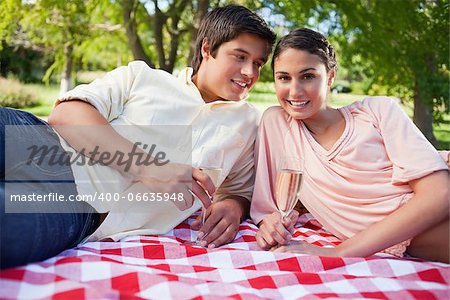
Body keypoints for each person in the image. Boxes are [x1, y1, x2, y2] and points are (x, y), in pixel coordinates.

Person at [0, 5, 276, 269]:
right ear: (207, 48)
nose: (250, 73)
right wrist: (148, 167)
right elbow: (67, 115)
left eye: (258, 63)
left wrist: (234, 206)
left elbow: (240, 189)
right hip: (35, 140)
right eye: (239, 57)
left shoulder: (249, 122)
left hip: (75, 208)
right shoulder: (142, 76)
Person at [250, 28, 449, 263]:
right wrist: (269, 223)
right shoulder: (277, 124)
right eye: (284, 77)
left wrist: (341, 252)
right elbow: (267, 204)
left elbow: (441, 193)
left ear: (331, 76)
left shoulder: (377, 111)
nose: (295, 91)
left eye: (308, 76)